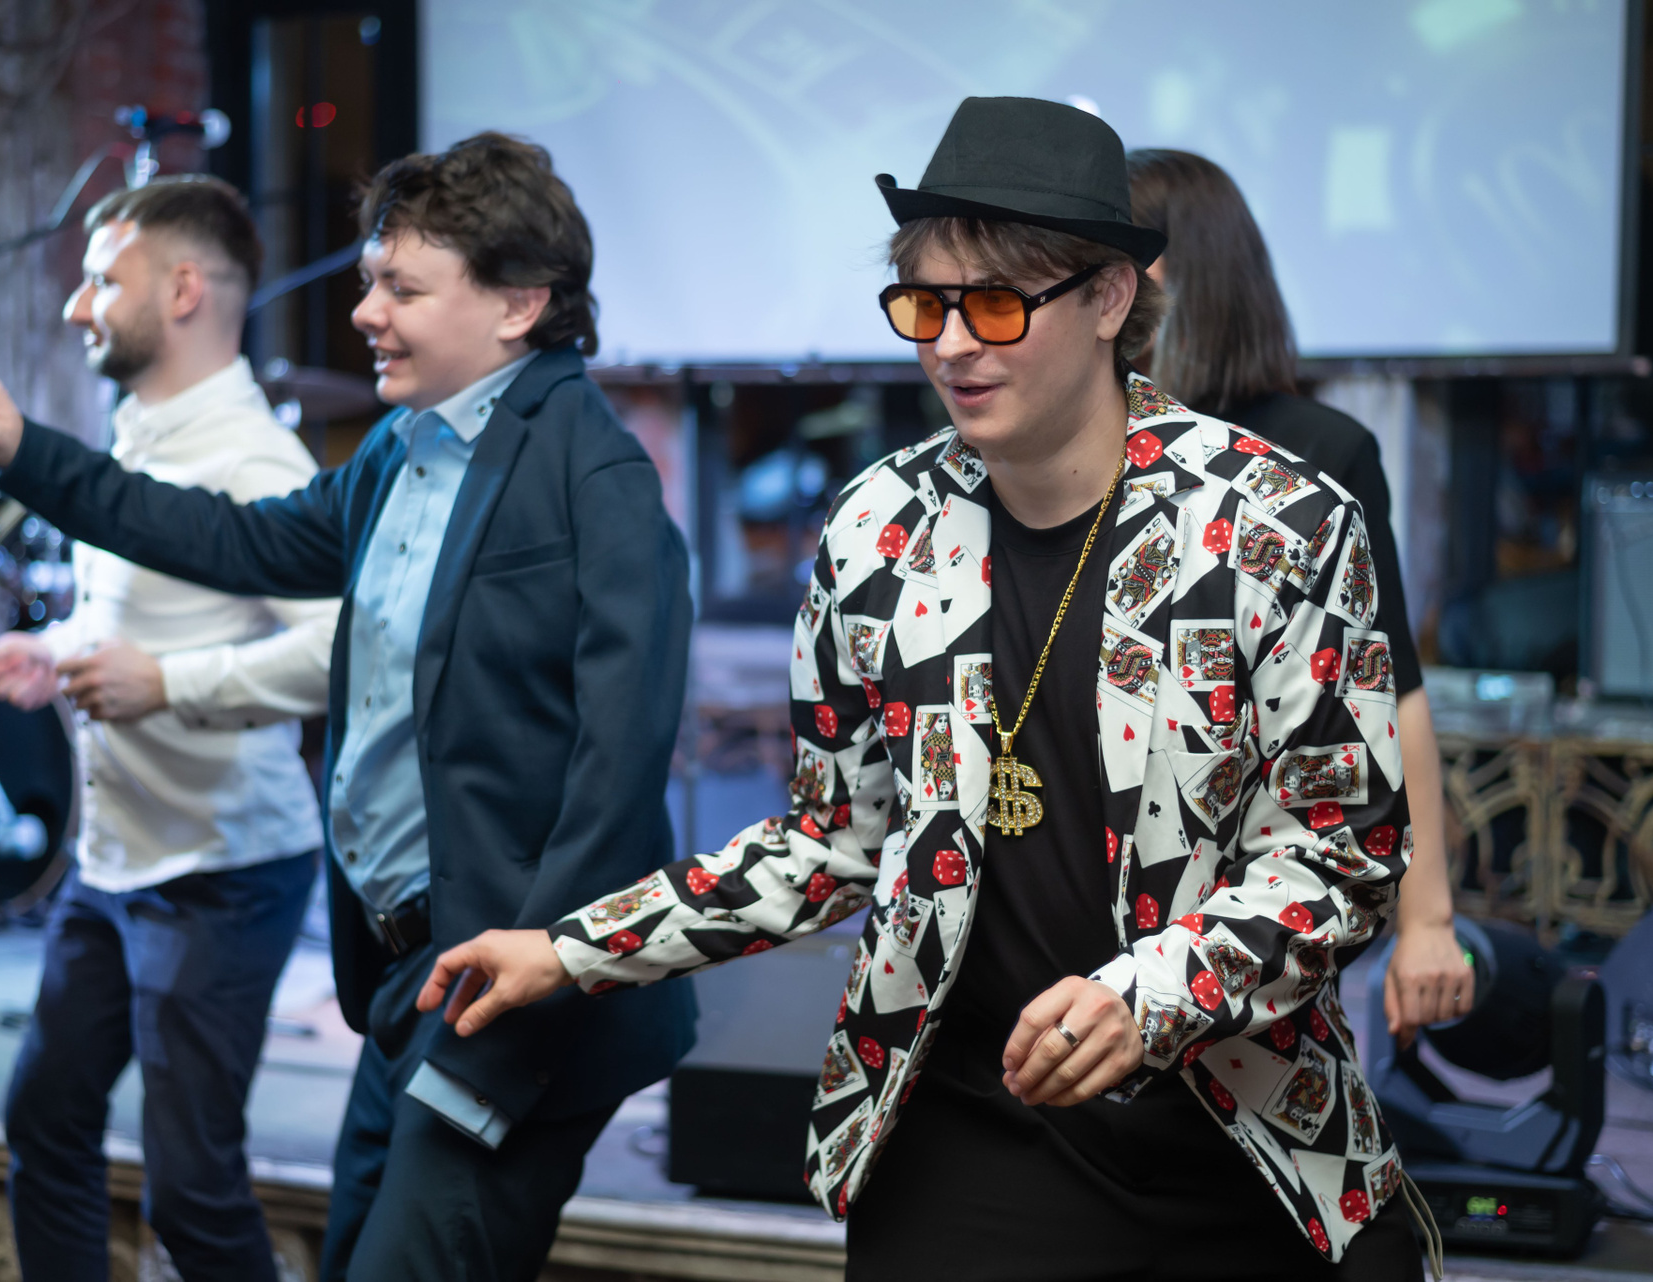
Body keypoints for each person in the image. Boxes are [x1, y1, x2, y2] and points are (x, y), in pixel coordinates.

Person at [419, 99, 1433, 1280]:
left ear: (1110, 298)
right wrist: (571, 951)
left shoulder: (1277, 525)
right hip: (966, 1119)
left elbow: (1343, 860)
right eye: (924, 305)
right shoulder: (880, 532)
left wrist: (1147, 996)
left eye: (995, 304)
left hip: (1231, 1127)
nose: (952, 344)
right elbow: (829, 841)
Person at [0, 133, 696, 1282]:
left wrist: (540, 977)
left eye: (401, 289)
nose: (365, 312)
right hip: (409, 977)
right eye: (371, 281)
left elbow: (618, 773)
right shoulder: (402, 448)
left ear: (520, 304)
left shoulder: (595, 477)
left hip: (510, 996)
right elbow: (234, 539)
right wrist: (25, 451)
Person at [0, 175, 339, 1282]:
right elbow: (144, 611)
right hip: (113, 861)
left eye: (102, 280)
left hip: (225, 874)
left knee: (192, 1190)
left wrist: (167, 683)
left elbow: (340, 653)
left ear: (182, 291)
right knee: (46, 1121)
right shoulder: (132, 431)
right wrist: (63, 647)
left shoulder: (256, 462)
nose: (77, 305)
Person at [1126, 148, 1475, 1044]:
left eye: (1119, 261)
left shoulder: (1321, 452)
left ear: (1185, 277)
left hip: (1269, 882)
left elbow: (1391, 689)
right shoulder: (1091, 447)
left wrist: (1428, 921)